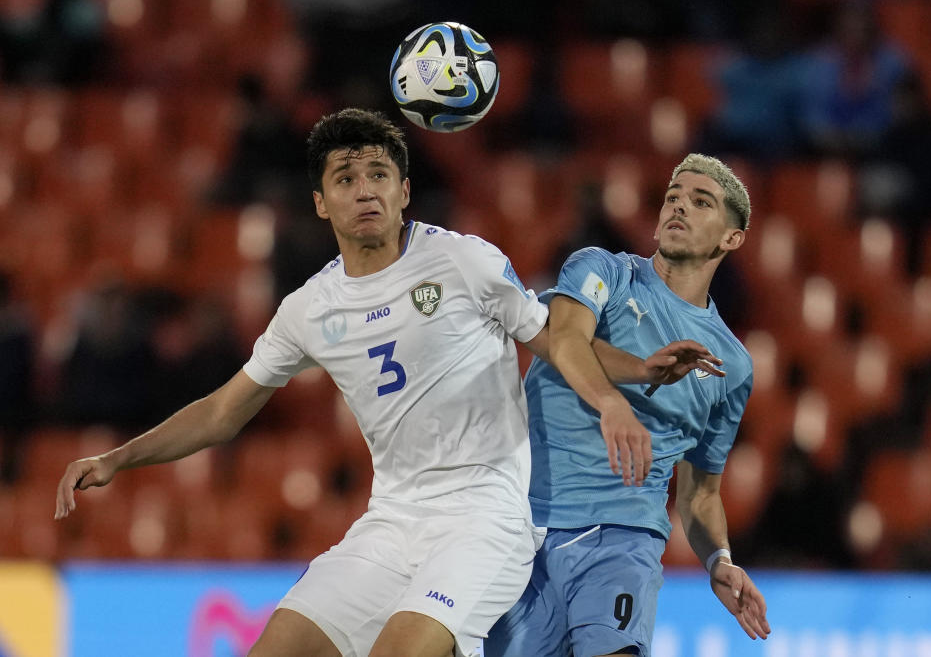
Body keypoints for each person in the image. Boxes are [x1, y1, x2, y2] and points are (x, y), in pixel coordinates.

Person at [54, 108, 719, 657]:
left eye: (379, 173)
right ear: (321, 202)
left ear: (404, 191)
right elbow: (224, 411)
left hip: (484, 518)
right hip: (392, 520)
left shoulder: (464, 262)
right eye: (346, 177)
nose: (365, 188)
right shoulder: (309, 309)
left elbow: (555, 339)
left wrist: (624, 383)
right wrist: (119, 457)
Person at [486, 153, 771, 656]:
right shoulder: (602, 271)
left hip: (623, 538)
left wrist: (719, 560)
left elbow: (699, 494)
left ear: (732, 237)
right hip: (520, 529)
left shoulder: (732, 364)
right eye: (672, 197)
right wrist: (616, 399)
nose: (678, 206)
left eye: (700, 202)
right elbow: (564, 339)